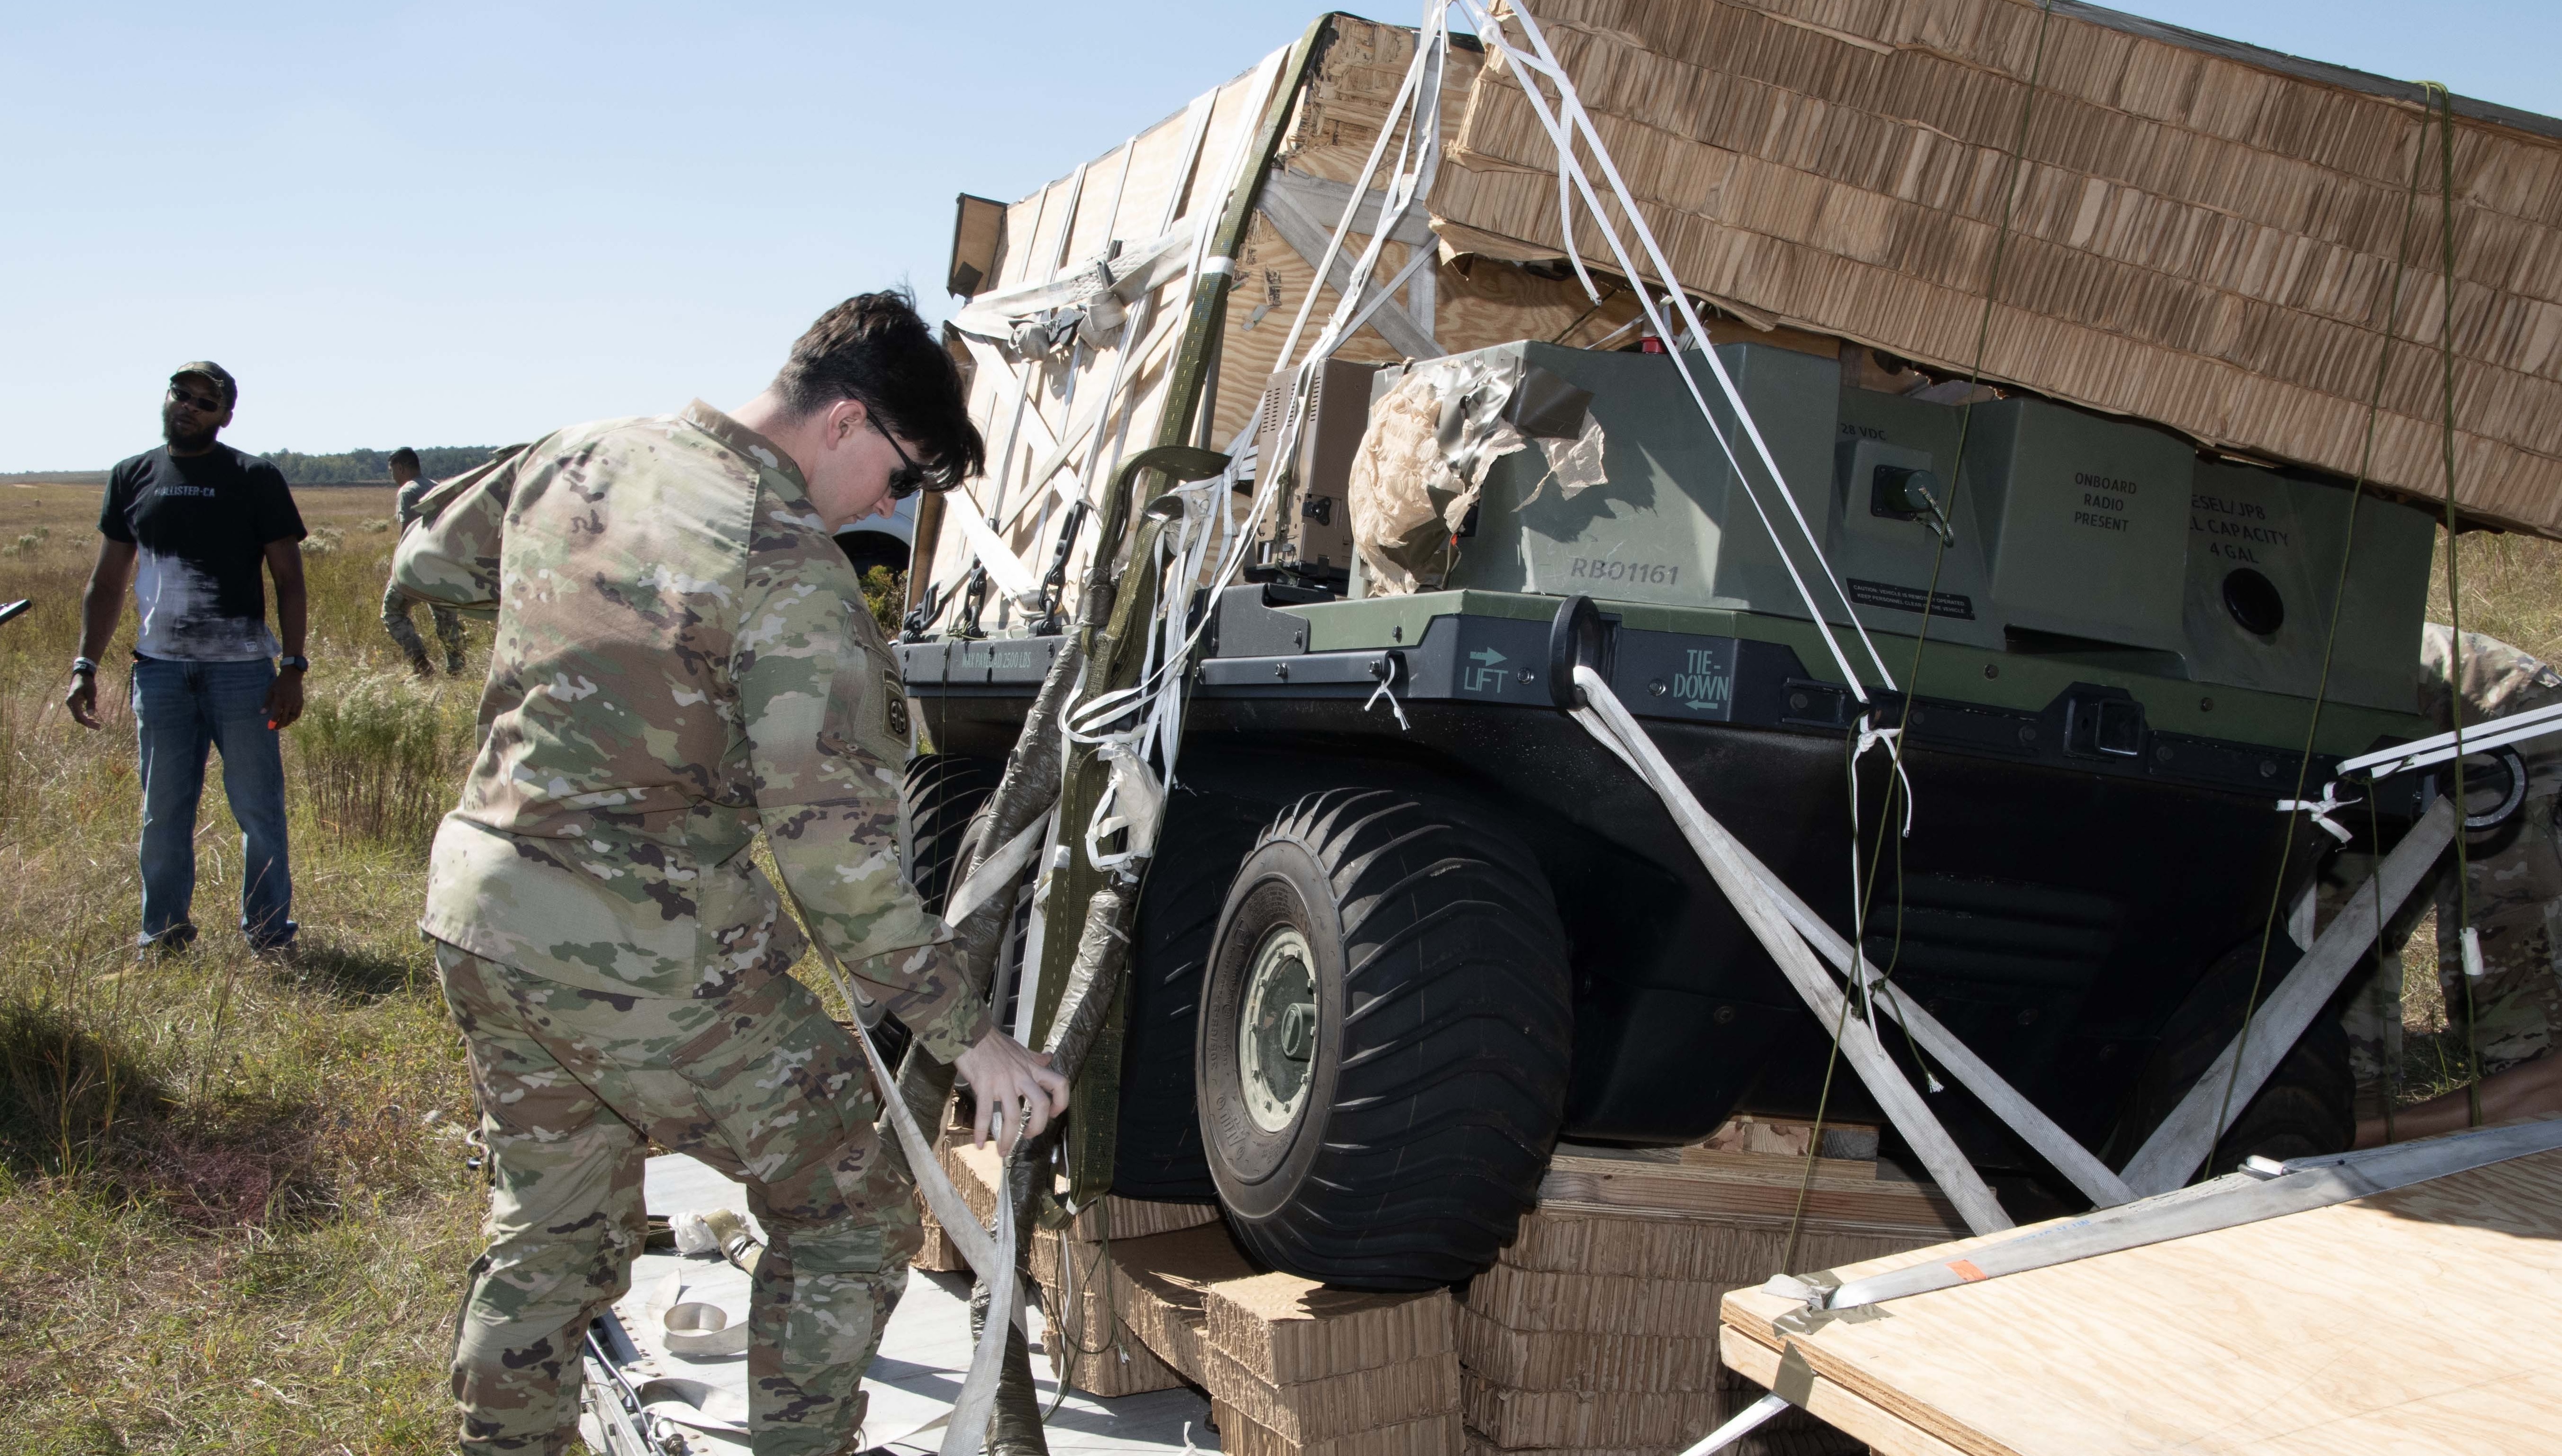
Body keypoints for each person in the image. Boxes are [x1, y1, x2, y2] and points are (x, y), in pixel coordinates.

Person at [393, 290, 1069, 1456]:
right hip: (634, 955)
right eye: (902, 479)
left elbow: (433, 554)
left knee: (551, 1232)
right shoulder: (790, 569)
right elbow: (838, 863)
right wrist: (972, 1036)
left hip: (481, 915)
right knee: (851, 1200)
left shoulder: (583, 453)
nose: (894, 511)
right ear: (847, 422)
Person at [67, 362, 308, 954]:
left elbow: (290, 579)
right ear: (167, 399)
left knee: (259, 809)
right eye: (182, 395)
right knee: (162, 814)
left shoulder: (255, 476)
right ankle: (165, 934)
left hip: (244, 675)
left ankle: (270, 933)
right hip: (161, 674)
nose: (190, 407)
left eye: (207, 401)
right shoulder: (133, 476)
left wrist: (293, 668)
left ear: (226, 416)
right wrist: (85, 665)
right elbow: (106, 583)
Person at [2344, 624, 2562, 1145]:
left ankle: (2349, 1126)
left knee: (2521, 1019)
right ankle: (2348, 1108)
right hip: (2443, 700)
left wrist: (2335, 1138)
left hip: (2488, 720)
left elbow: (2548, 1094)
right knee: (2340, 929)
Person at [380, 446, 469, 675]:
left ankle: (422, 667)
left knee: (392, 612)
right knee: (446, 619)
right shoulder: (436, 486)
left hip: (417, 566)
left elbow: (407, 533)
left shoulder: (407, 491)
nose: (392, 476)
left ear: (400, 467)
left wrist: (399, 570)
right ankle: (456, 669)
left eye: (392, 470)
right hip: (443, 561)